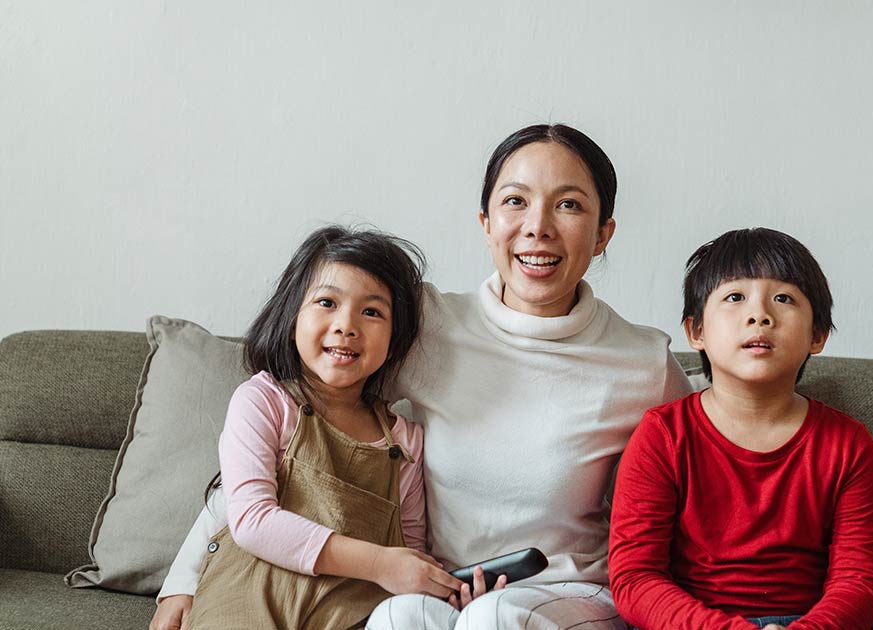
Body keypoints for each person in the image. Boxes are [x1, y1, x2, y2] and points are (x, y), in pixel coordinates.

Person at [150, 124, 693, 630]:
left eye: (569, 205)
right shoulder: (425, 326)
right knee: (398, 616)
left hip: (571, 591)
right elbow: (291, 429)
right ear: (486, 224)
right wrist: (183, 575)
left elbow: (711, 479)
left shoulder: (641, 363)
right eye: (515, 201)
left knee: (493, 619)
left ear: (603, 234)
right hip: (443, 585)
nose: (538, 226)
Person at [180, 225, 465, 629]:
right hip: (245, 606)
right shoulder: (264, 401)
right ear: (292, 314)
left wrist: (436, 585)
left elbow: (409, 550)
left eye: (372, 311)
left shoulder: (405, 441)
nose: (347, 325)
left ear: (395, 336)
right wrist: (380, 563)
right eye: (327, 302)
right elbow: (252, 520)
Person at [608, 228, 873, 630]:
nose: (760, 315)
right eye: (735, 297)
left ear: (818, 335)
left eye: (784, 298)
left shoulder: (848, 444)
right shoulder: (662, 436)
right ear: (696, 332)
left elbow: (860, 583)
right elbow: (635, 579)